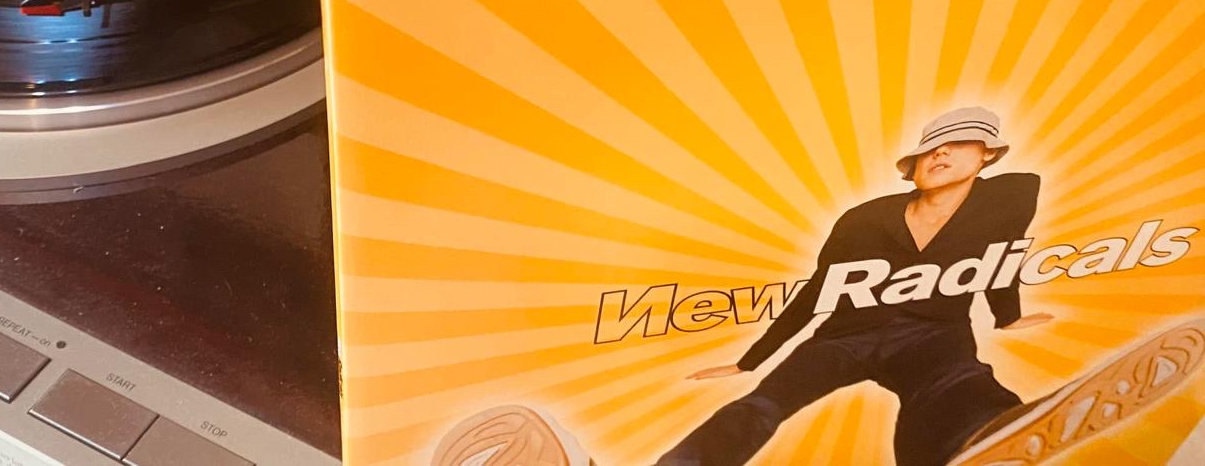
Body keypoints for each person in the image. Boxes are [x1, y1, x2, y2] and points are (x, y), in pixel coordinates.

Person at [429, 108, 1204, 466]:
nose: (942, 156)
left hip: (935, 335)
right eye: (932, 150)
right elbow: (813, 295)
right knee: (760, 407)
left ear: (986, 157)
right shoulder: (865, 219)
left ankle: (983, 445)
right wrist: (749, 359)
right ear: (913, 164)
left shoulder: (1010, 197)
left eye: (961, 147)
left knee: (955, 390)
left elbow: (1006, 250)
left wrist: (1009, 314)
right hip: (842, 335)